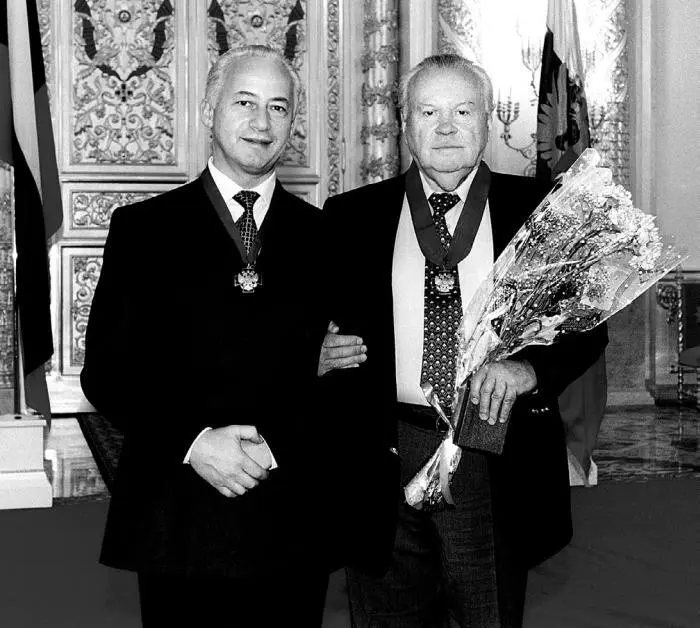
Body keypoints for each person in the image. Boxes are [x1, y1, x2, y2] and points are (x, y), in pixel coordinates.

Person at [319, 54, 608, 627]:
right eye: (429, 112)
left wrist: (529, 370)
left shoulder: (540, 210)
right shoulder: (350, 216)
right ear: (405, 123)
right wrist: (315, 350)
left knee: (486, 615)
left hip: (493, 448)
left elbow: (587, 324)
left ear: (487, 119)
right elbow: (304, 317)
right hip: (382, 455)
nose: (446, 127)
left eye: (463, 111)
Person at [81, 45, 336, 627]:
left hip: (291, 514)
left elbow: (349, 370)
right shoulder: (144, 230)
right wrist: (195, 442)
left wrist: (275, 444)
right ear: (207, 111)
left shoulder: (325, 237)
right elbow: (107, 374)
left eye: (278, 107)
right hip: (177, 515)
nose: (262, 122)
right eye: (244, 102)